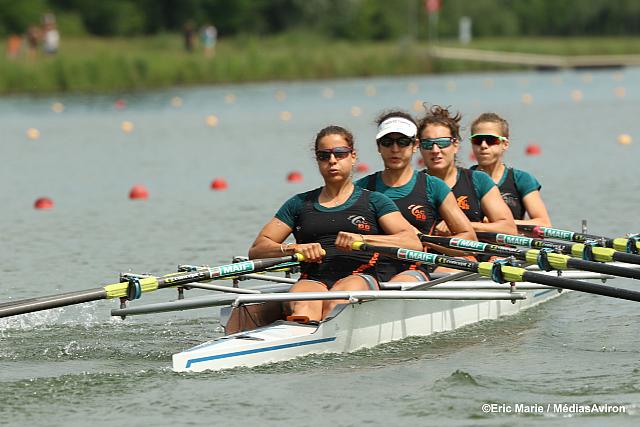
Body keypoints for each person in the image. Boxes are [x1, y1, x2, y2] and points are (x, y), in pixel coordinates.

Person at [249, 125, 422, 322]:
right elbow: (257, 249)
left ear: (353, 156)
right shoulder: (299, 203)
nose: (332, 161)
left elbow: (412, 242)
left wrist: (362, 238)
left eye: (340, 154)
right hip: (313, 279)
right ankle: (302, 338)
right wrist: (293, 248)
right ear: (318, 160)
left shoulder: (375, 201)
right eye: (324, 155)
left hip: (360, 275)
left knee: (338, 301)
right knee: (304, 305)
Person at [355, 111, 477, 281]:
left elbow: (469, 241)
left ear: (415, 145)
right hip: (369, 272)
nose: (395, 149)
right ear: (378, 146)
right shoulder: (361, 188)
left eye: (403, 142)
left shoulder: (433, 187)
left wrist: (421, 239)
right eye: (387, 142)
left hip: (416, 270)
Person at [417, 105, 517, 236]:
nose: (435, 150)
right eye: (427, 144)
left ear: (456, 145)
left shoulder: (478, 181)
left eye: (443, 143)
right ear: (418, 147)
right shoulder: (414, 185)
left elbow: (509, 229)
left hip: (472, 254)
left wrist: (460, 226)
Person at [469, 112, 551, 227]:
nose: (483, 145)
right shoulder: (462, 179)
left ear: (505, 144)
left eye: (491, 140)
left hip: (508, 243)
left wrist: (500, 223)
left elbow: (544, 224)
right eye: (477, 140)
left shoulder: (522, 180)